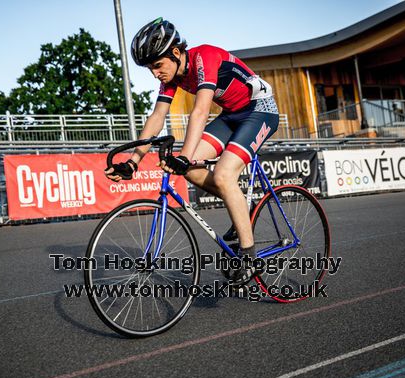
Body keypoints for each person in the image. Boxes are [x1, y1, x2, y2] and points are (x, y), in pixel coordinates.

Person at [104, 18, 279, 286]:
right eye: (150, 68)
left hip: (259, 111)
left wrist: (184, 155)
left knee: (221, 175)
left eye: (157, 66)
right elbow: (156, 117)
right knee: (193, 173)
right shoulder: (171, 76)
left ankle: (249, 257)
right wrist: (132, 162)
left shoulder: (204, 57)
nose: (155, 74)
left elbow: (200, 111)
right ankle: (242, 206)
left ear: (175, 52)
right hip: (232, 115)